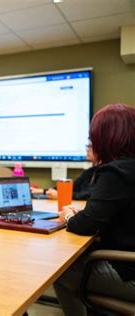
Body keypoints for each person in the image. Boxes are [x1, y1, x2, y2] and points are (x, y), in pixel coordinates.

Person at [53, 103, 135, 316]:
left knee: (59, 272)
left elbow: (84, 226)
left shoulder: (116, 172)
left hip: (130, 273)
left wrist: (70, 215)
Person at [31, 141, 97, 200]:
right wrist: (42, 191)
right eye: (87, 146)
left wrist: (62, 196)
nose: (87, 149)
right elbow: (71, 187)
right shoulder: (89, 172)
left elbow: (90, 195)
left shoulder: (104, 173)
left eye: (90, 146)